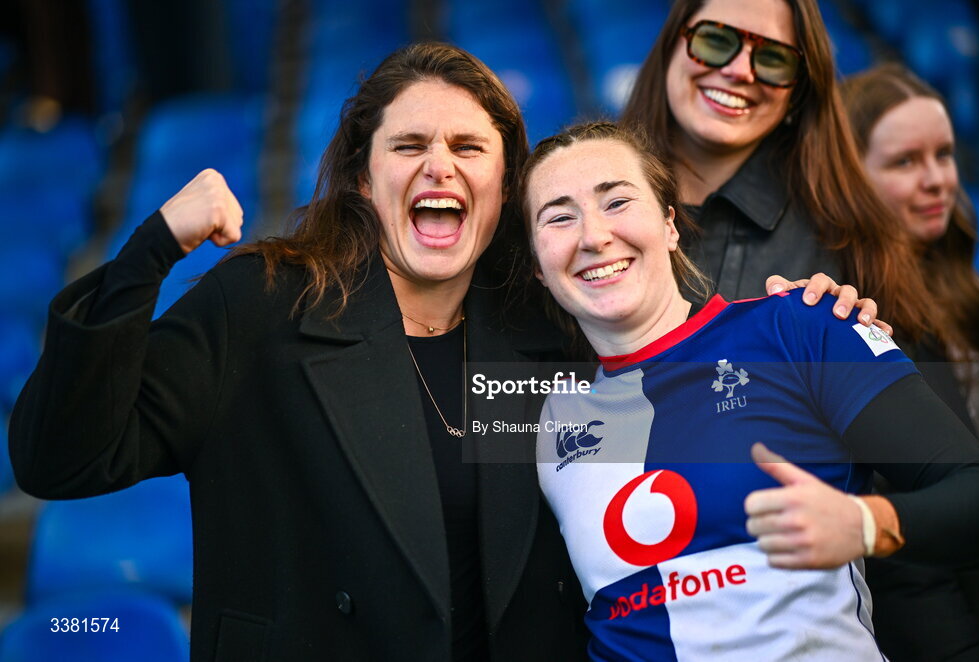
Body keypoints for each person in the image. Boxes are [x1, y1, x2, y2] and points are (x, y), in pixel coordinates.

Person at [6, 43, 869, 661]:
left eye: (468, 148)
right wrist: (151, 248)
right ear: (360, 177)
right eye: (409, 146)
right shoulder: (262, 307)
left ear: (506, 184)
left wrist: (802, 322)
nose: (439, 167)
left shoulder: (550, 328)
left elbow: (676, 424)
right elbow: (62, 457)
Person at [517, 121, 979, 661]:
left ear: (669, 224)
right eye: (560, 217)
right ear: (539, 268)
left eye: (616, 202)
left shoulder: (802, 325)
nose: (593, 236)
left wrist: (865, 524)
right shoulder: (548, 419)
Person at [620, 0, 947, 351]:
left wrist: (852, 343)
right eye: (715, 41)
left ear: (798, 90)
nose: (740, 70)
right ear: (671, 45)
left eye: (774, 59)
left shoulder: (855, 238)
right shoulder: (576, 210)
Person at [842, 63, 979, 661]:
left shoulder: (973, 291)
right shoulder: (854, 322)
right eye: (905, 162)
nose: (937, 179)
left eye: (944, 155)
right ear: (849, 178)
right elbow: (907, 564)